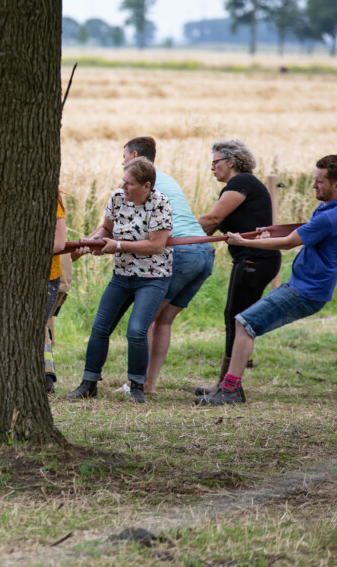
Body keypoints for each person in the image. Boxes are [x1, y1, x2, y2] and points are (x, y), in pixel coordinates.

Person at [197, 155, 337, 406]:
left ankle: (230, 389)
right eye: (314, 180)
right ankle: (228, 386)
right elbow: (296, 233)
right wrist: (267, 232)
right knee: (244, 322)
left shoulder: (329, 216)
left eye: (319, 182)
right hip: (305, 287)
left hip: (307, 291)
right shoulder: (333, 208)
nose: (314, 185)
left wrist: (244, 242)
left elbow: (289, 243)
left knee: (245, 322)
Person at [63, 158, 172, 404]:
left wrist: (118, 246)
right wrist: (91, 242)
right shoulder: (117, 198)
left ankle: (137, 386)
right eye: (123, 182)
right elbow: (106, 229)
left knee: (136, 331)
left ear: (146, 186)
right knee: (100, 328)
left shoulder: (160, 204)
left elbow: (157, 245)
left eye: (129, 184)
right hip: (122, 275)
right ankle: (88, 384)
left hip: (152, 278)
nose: (123, 187)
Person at [123, 137, 214, 395]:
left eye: (124, 158)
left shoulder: (141, 185)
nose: (122, 164)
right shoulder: (167, 178)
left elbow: (131, 227)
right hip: (204, 251)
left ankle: (137, 383)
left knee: (147, 320)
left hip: (181, 252)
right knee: (163, 321)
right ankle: (149, 383)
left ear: (135, 156)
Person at [196, 139, 280, 387]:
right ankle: (226, 382)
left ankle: (228, 385)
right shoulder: (241, 185)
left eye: (215, 162)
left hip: (254, 259)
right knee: (237, 317)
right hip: (257, 259)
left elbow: (213, 219)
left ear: (231, 162)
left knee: (236, 318)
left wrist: (172, 230)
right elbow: (212, 226)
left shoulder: (241, 182)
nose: (212, 168)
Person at [43, 193, 67, 392]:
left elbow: (59, 243)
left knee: (37, 325)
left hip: (47, 275)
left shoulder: (52, 202)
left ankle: (46, 377)